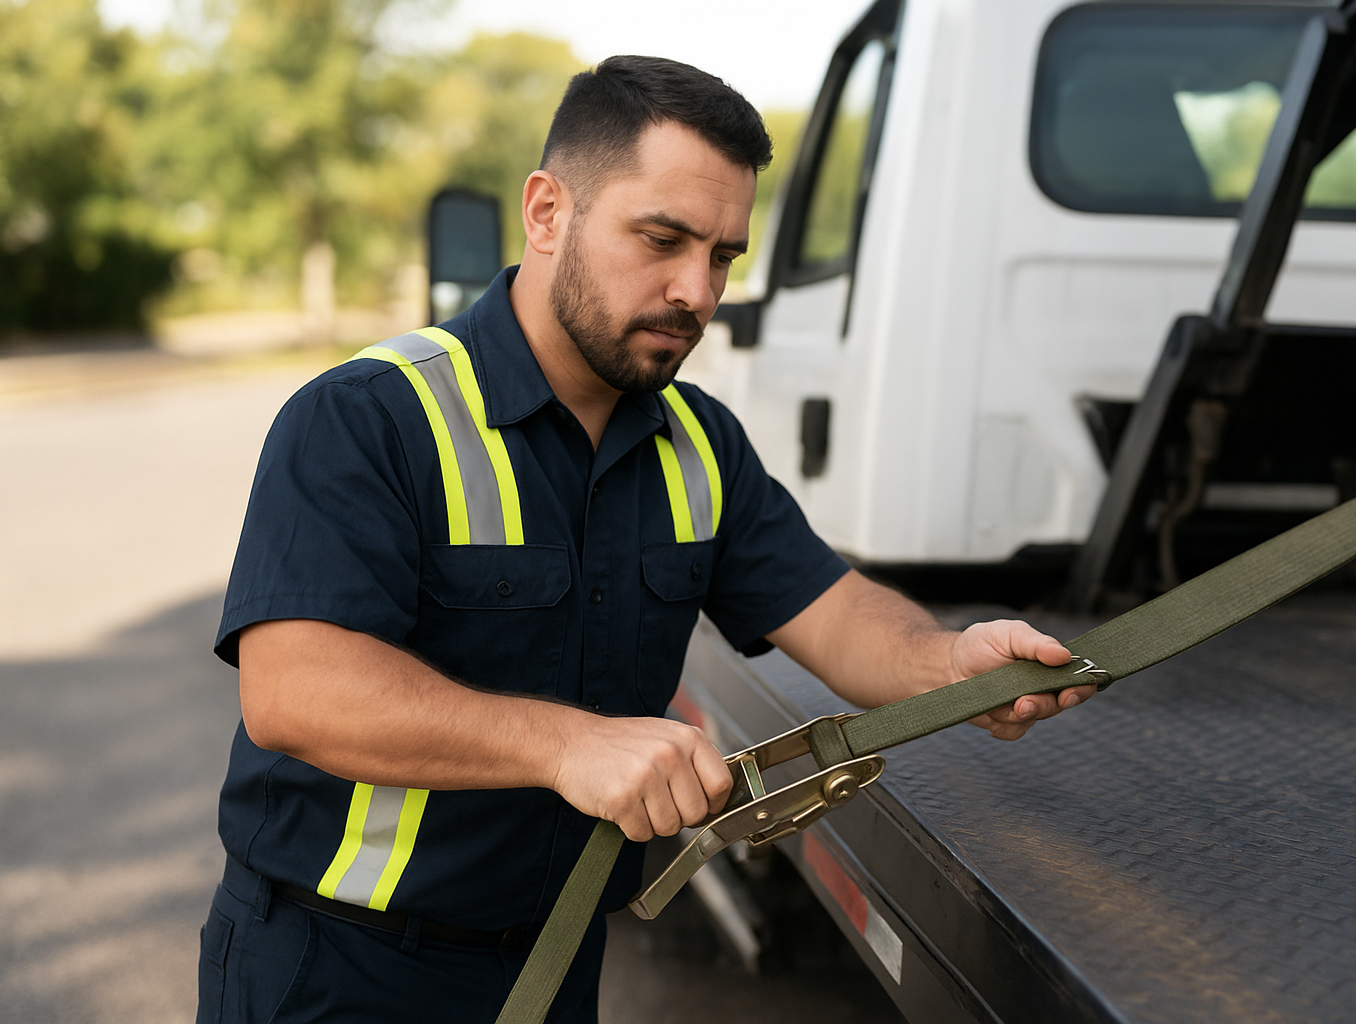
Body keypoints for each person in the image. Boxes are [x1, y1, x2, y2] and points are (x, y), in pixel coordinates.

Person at [197, 54, 1095, 1024]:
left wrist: (951, 659)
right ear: (547, 213)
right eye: (662, 238)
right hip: (339, 971)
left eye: (722, 256)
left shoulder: (701, 444)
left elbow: (835, 614)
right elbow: (295, 691)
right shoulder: (372, 416)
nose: (696, 291)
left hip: (557, 964)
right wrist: (565, 744)